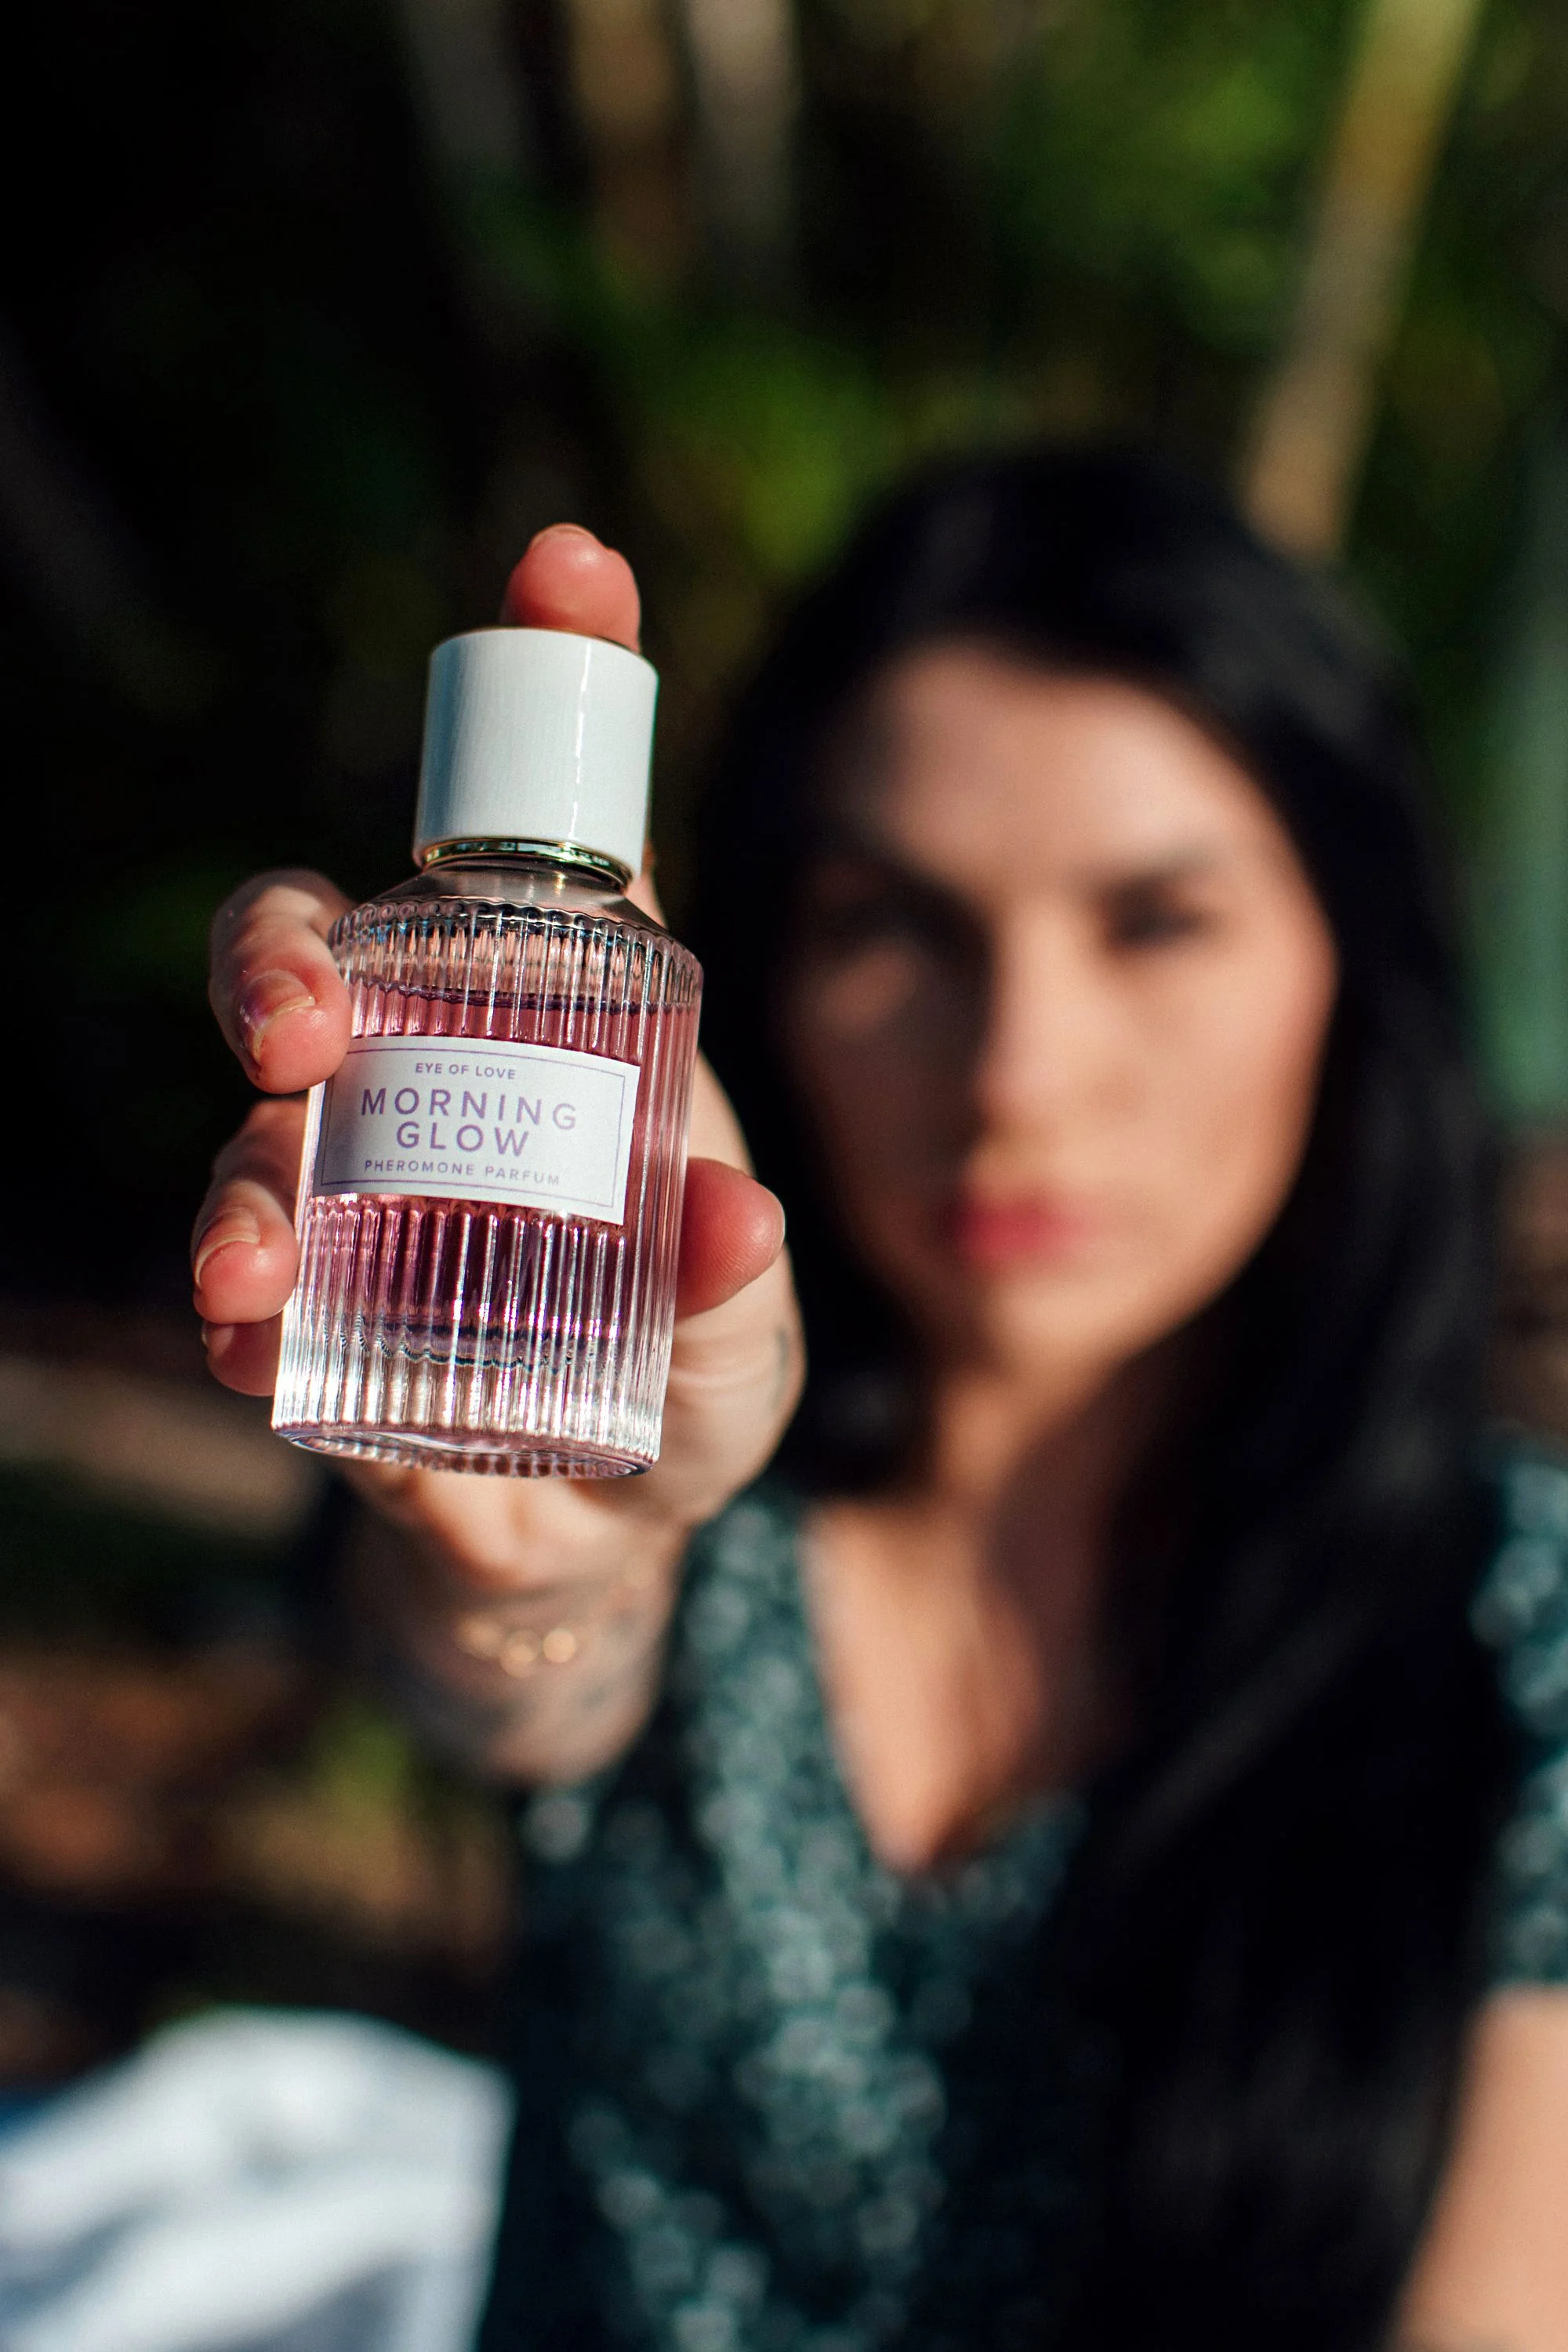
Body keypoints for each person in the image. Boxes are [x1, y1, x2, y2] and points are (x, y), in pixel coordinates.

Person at [191, 452, 1568, 2352]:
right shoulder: (701, 1500)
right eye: (890, 927)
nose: (1015, 1073)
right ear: (770, 967)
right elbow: (497, 1664)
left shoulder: (1511, 1619)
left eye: (1154, 923)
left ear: (1355, 957)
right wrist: (532, 1563)